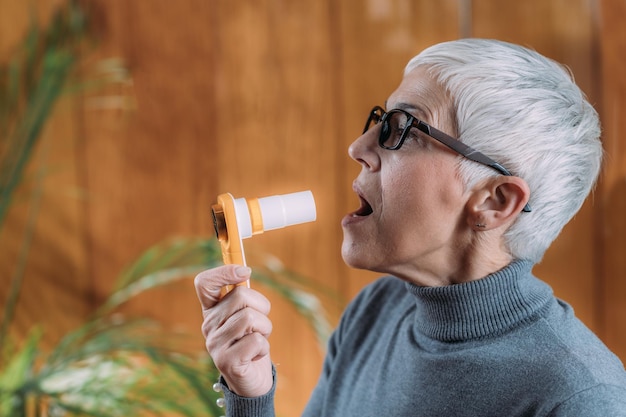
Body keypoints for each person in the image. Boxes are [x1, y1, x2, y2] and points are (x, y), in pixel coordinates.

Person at [194, 38, 626, 416]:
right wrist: (250, 395)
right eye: (380, 120)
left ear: (495, 202)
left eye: (403, 129)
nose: (358, 147)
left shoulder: (579, 398)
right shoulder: (377, 312)